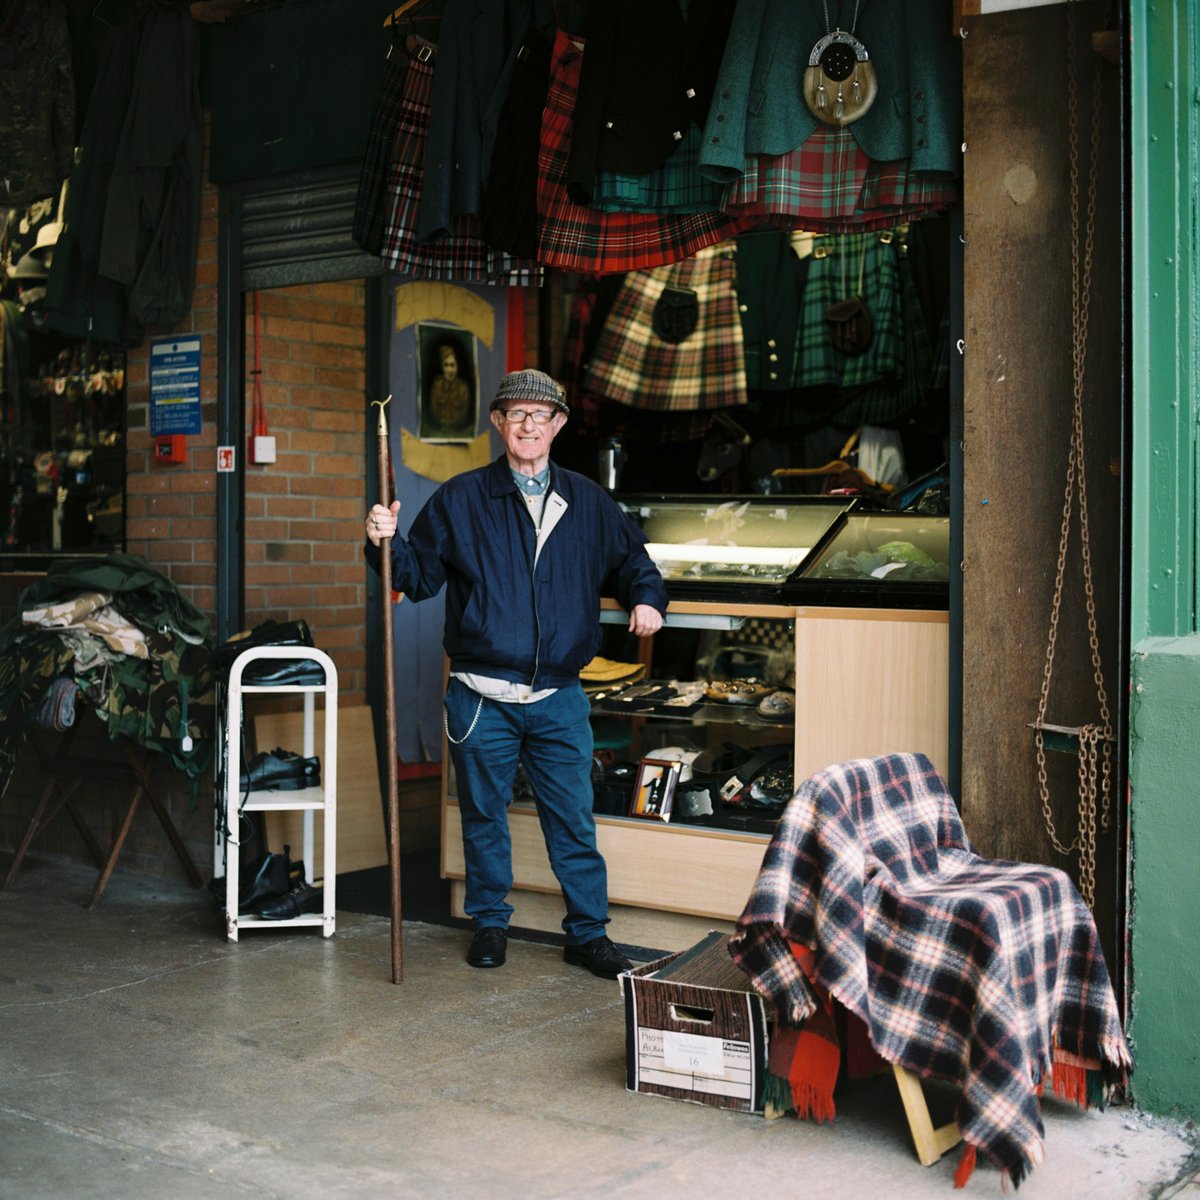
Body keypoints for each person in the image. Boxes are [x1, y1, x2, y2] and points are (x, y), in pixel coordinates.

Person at [366, 368, 667, 978]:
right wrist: (383, 542)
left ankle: (588, 933)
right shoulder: (462, 498)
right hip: (481, 697)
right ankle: (489, 925)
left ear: (558, 425)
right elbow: (415, 578)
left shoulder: (586, 500)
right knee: (482, 817)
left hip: (558, 695)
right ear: (499, 424)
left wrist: (647, 598)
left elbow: (634, 559)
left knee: (572, 820)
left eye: (541, 415)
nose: (529, 425)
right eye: (516, 414)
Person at [426, 341, 471, 433]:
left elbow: (464, 413)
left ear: (457, 367)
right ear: (442, 367)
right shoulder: (437, 385)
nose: (449, 370)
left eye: (452, 365)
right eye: (446, 365)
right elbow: (433, 410)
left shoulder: (463, 388)